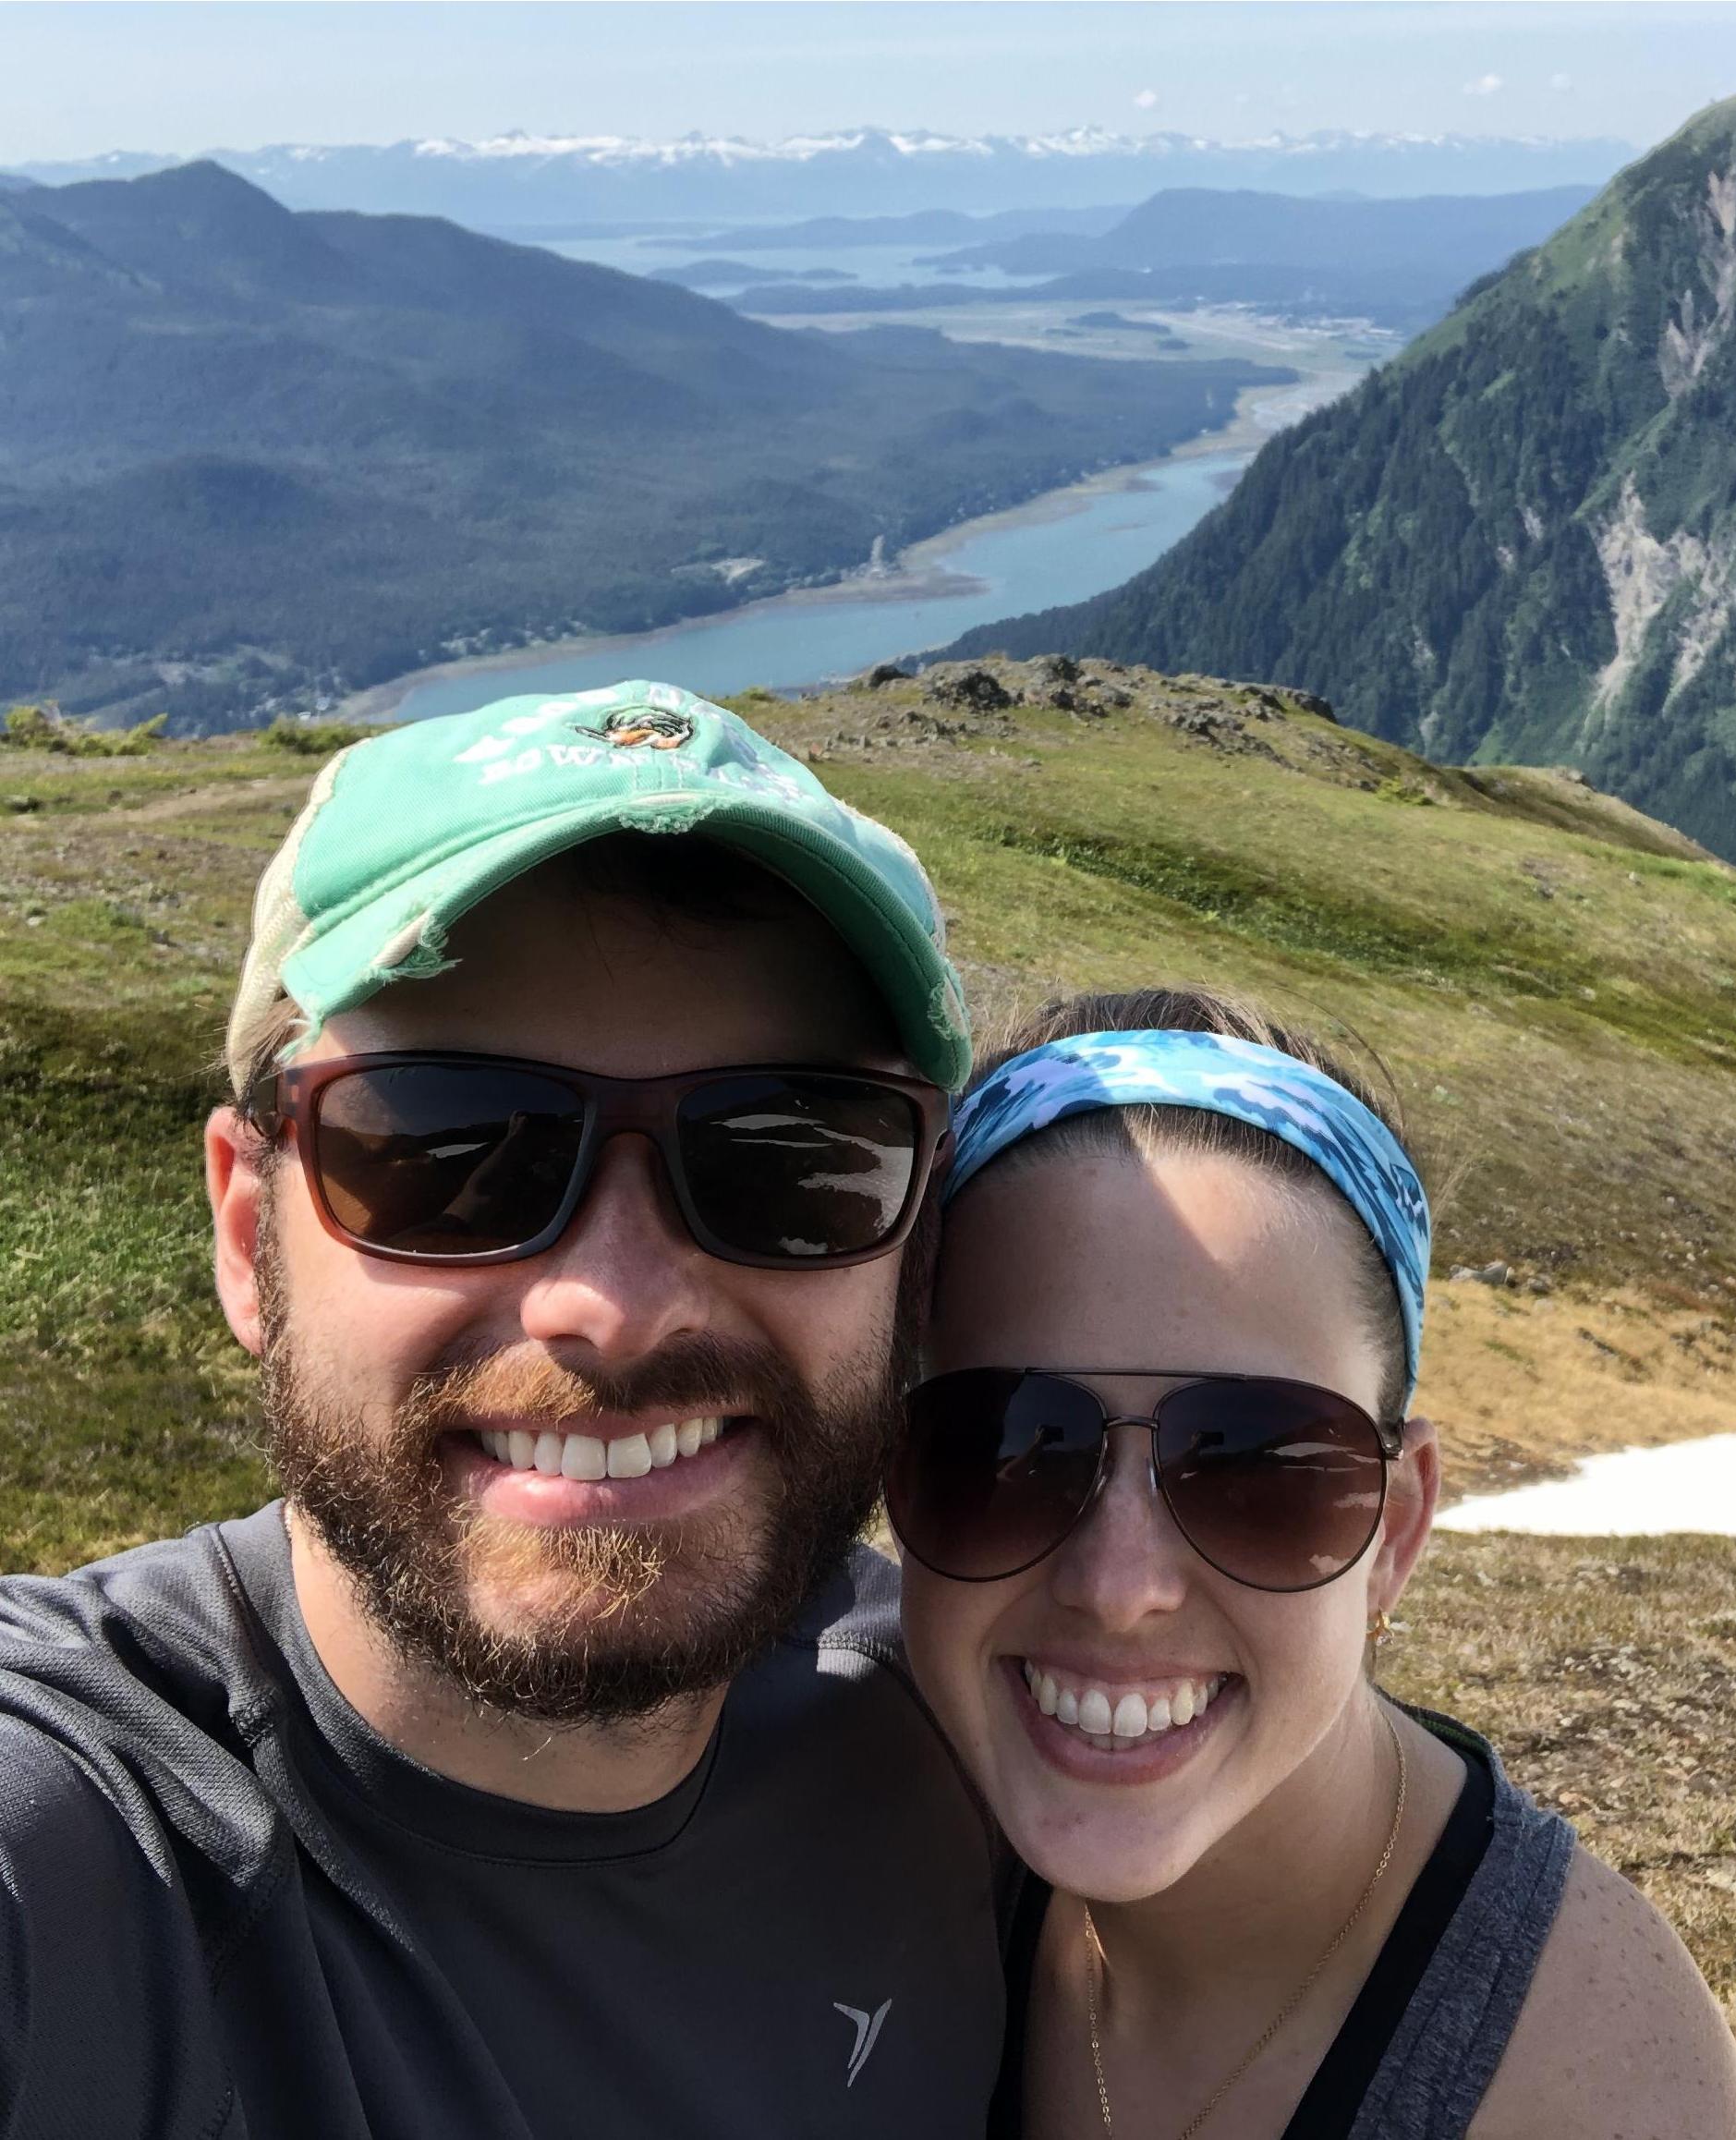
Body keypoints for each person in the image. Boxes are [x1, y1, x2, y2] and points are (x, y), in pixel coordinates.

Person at [0, 681, 1005, 2137]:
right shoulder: (84, 1845)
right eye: (446, 1149)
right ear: (246, 1236)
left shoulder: (975, 1748)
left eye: (791, 1159)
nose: (614, 1302)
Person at [890, 991, 1736, 2140]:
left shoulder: (1607, 2090)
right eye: (1008, 1446)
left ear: (1396, 1532)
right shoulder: (874, 1812)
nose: (1119, 1584)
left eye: (1258, 1468)